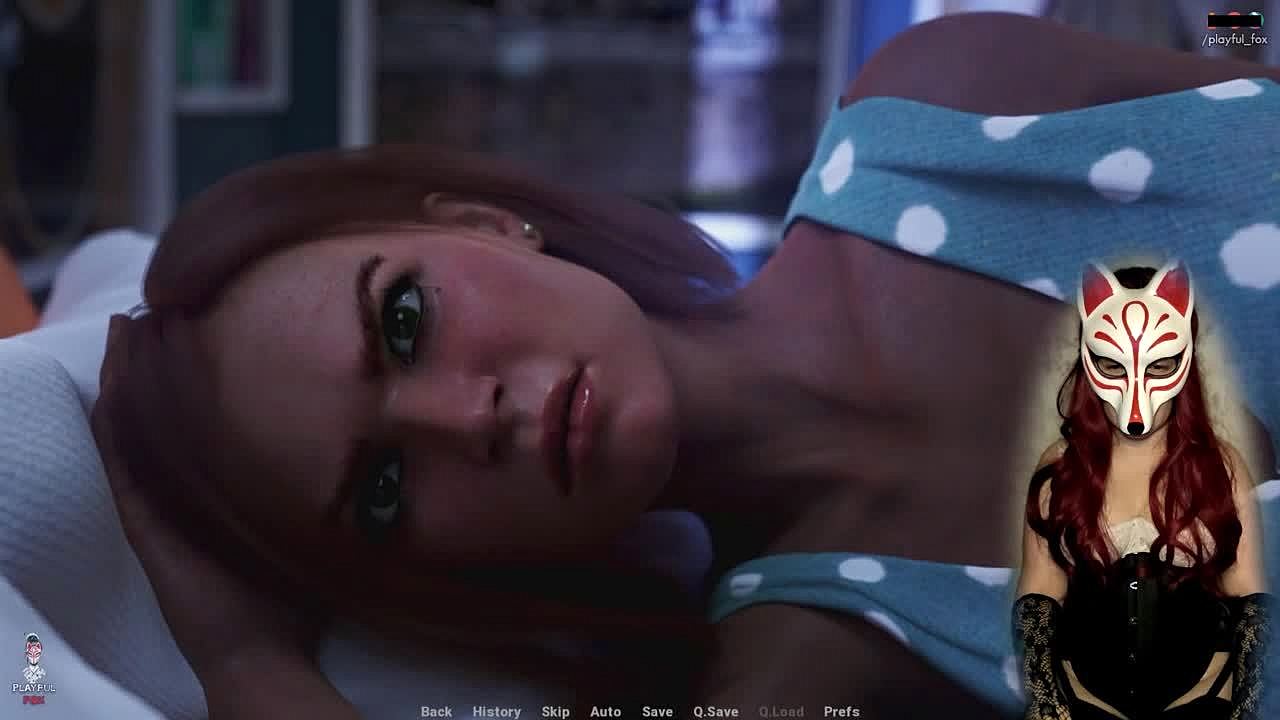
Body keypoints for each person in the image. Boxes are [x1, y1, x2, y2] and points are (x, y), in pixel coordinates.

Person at [90, 13, 1280, 719]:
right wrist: (245, 665)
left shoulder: (944, 107)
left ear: (485, 223)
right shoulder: (795, 669)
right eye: (384, 489)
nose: (466, 417)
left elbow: (1245, 50)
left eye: (404, 321)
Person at [1015, 263, 1270, 720]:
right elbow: (1039, 594)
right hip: (1083, 701)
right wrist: (1047, 702)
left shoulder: (1221, 468)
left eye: (1161, 365)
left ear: (1184, 361)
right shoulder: (1061, 468)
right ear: (1088, 358)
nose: (1136, 405)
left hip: (1201, 698)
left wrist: (1244, 709)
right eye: (1112, 365)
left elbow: (1251, 599)